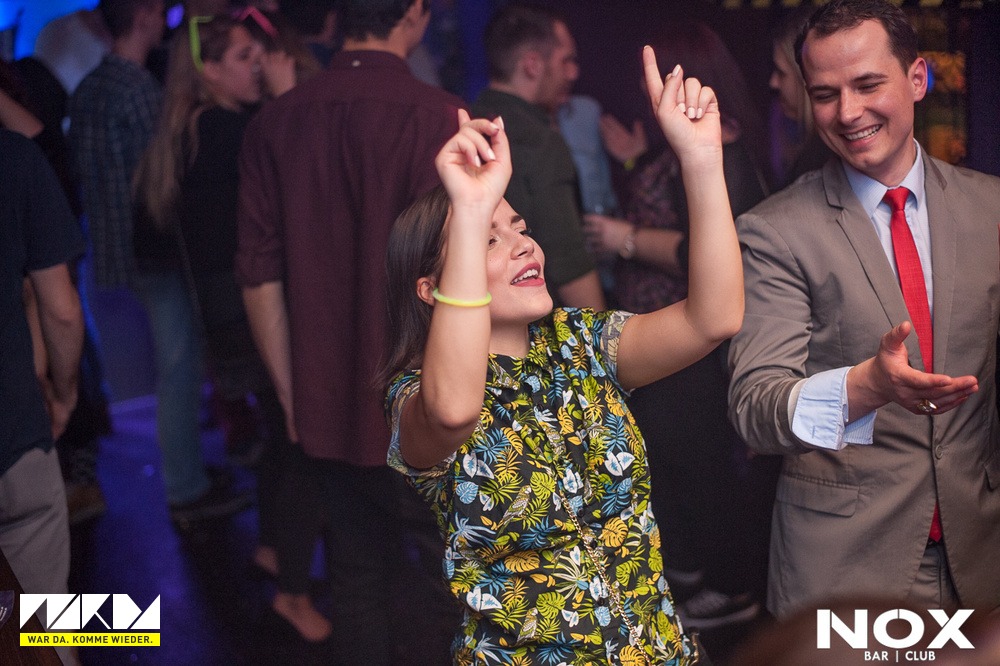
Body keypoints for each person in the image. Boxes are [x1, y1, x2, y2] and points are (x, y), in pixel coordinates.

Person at [383, 46, 742, 664]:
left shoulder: (583, 343)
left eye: (520, 228)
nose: (523, 245)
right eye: (488, 240)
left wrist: (702, 159)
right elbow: (454, 410)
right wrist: (468, 211)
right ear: (431, 289)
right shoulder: (415, 395)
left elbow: (714, 318)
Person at [727, 0, 1000, 618]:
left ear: (917, 78)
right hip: (843, 568)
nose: (847, 112)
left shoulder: (990, 210)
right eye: (825, 94)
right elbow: (754, 409)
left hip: (981, 558)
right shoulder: (775, 231)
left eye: (868, 84)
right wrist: (865, 387)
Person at [236, 0, 465, 661]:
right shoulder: (443, 118)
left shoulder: (275, 121)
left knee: (356, 579)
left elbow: (258, 275)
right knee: (454, 584)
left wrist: (292, 395)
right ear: (414, 12)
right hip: (426, 400)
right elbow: (464, 275)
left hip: (328, 400)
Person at [133, 13, 330, 641]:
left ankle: (274, 548)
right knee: (299, 437)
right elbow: (303, 178)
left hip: (235, 308)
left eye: (257, 54)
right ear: (209, 70)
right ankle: (292, 593)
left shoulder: (199, 127)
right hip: (253, 308)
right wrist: (285, 98)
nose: (258, 64)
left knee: (280, 433)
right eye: (244, 56)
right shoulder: (225, 129)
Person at [581, 23, 771, 632]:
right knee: (672, 460)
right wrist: (636, 159)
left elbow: (708, 251)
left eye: (658, 75)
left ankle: (729, 589)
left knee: (700, 464)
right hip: (665, 335)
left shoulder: (721, 147)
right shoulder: (681, 141)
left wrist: (625, 240)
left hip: (697, 344)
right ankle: (691, 578)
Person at [68, 0, 250, 524]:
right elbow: (165, 182)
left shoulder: (90, 87)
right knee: (180, 368)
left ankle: (188, 475)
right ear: (145, 16)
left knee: (178, 365)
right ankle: (185, 490)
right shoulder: (141, 91)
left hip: (118, 251)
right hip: (155, 249)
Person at [0, 129, 84, 666]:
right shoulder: (13, 157)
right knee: (47, 627)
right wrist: (63, 392)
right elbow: (60, 308)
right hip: (13, 433)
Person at [471, 3, 604, 310]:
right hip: (540, 319)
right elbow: (569, 261)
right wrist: (602, 333)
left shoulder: (466, 124)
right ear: (532, 65)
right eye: (565, 60)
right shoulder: (539, 140)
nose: (572, 72)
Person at [768, 7, 834, 188]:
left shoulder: (821, 163)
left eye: (781, 72)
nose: (773, 82)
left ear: (804, 78)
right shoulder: (794, 140)